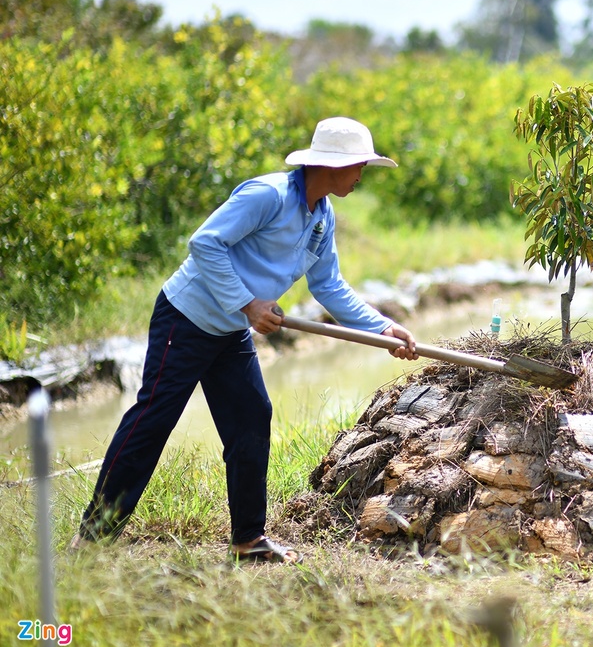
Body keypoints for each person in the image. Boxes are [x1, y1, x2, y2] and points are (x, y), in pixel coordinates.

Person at [73, 117, 419, 563]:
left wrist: (382, 328)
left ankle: (249, 540)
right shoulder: (268, 196)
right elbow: (206, 243)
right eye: (360, 168)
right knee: (154, 418)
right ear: (338, 165)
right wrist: (248, 304)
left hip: (230, 330)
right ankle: (92, 538)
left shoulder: (321, 217)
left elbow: (328, 285)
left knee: (252, 417)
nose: (360, 177)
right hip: (188, 317)